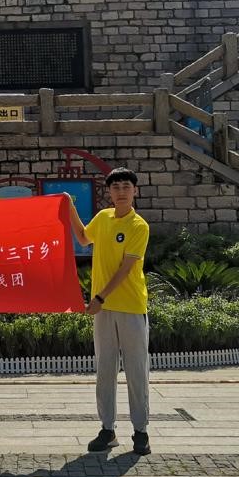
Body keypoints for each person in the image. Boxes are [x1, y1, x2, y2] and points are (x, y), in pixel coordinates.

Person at [67, 167, 152, 456]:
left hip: (130, 306)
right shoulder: (103, 218)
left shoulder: (139, 225)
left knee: (136, 371)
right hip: (103, 309)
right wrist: (69, 208)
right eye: (116, 187)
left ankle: (141, 431)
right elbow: (82, 238)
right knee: (105, 369)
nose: (121, 191)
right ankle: (107, 429)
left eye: (126, 186)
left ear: (135, 191)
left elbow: (125, 268)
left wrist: (100, 297)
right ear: (109, 192)